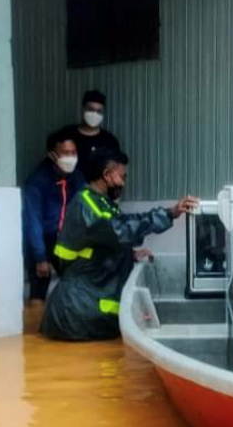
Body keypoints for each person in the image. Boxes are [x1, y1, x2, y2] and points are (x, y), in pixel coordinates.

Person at [41, 145, 198, 342]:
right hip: (77, 315)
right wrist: (169, 213)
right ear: (107, 175)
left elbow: (100, 246)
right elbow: (118, 230)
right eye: (122, 177)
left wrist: (129, 254)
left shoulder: (101, 203)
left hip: (88, 312)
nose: (124, 182)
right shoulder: (86, 205)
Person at [21, 134, 85, 306]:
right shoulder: (37, 182)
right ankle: (35, 325)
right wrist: (40, 257)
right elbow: (33, 221)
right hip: (42, 240)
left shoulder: (77, 178)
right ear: (52, 155)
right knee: (38, 293)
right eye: (65, 153)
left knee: (77, 287)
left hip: (67, 240)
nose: (70, 157)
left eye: (73, 152)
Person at [46, 89, 121, 180]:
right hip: (68, 189)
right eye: (90, 109)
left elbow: (116, 171)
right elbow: (51, 153)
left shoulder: (109, 141)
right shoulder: (66, 134)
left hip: (96, 192)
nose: (94, 114)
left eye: (99, 111)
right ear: (83, 109)